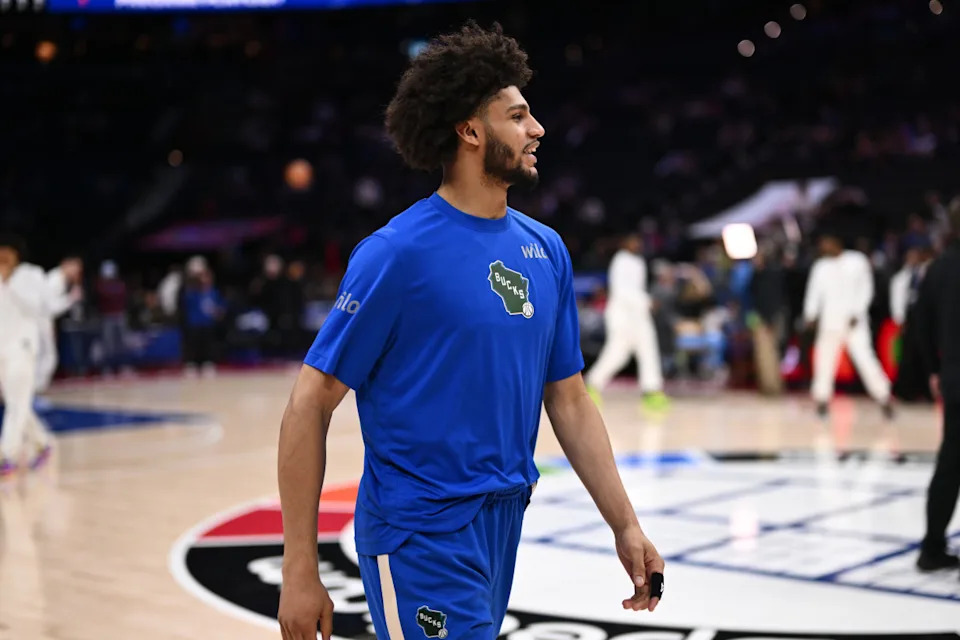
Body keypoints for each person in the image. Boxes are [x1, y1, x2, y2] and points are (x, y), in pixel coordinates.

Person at [276, 22, 664, 640]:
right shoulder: (395, 255)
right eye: (518, 116)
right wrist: (300, 567)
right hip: (417, 532)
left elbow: (568, 399)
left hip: (503, 522)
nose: (537, 130)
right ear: (471, 131)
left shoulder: (547, 250)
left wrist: (625, 524)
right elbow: (308, 402)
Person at [913, 206, 960, 573]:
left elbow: (920, 326)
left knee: (949, 465)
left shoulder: (939, 267)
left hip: (953, 379)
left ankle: (931, 547)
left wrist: (933, 370)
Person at [802, 231, 893, 418]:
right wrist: (810, 315)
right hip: (829, 321)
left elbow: (866, 288)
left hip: (854, 323)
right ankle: (821, 400)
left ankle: (883, 397)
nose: (823, 247)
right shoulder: (820, 267)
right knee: (824, 360)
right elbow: (813, 293)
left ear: (835, 241)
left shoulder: (857, 261)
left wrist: (857, 311)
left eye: (826, 242)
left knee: (865, 359)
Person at [585, 232, 669, 410]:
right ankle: (592, 383)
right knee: (617, 354)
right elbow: (622, 290)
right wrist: (647, 301)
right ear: (625, 243)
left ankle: (652, 391)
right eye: (632, 240)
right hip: (622, 315)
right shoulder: (620, 260)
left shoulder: (638, 262)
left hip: (639, 315)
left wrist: (643, 303)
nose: (636, 244)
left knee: (648, 350)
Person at [0, 234, 55, 477]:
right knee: (17, 403)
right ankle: (42, 444)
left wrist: (10, 282)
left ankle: (7, 456)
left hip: (22, 348)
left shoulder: (32, 275)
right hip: (2, 350)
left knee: (16, 405)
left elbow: (37, 308)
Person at [35, 257, 84, 394]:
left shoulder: (60, 280)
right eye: (75, 268)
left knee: (46, 357)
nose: (76, 272)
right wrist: (71, 299)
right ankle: (35, 390)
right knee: (46, 357)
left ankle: (37, 389)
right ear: (66, 265)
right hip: (39, 320)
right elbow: (51, 308)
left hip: (43, 321)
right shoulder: (55, 280)